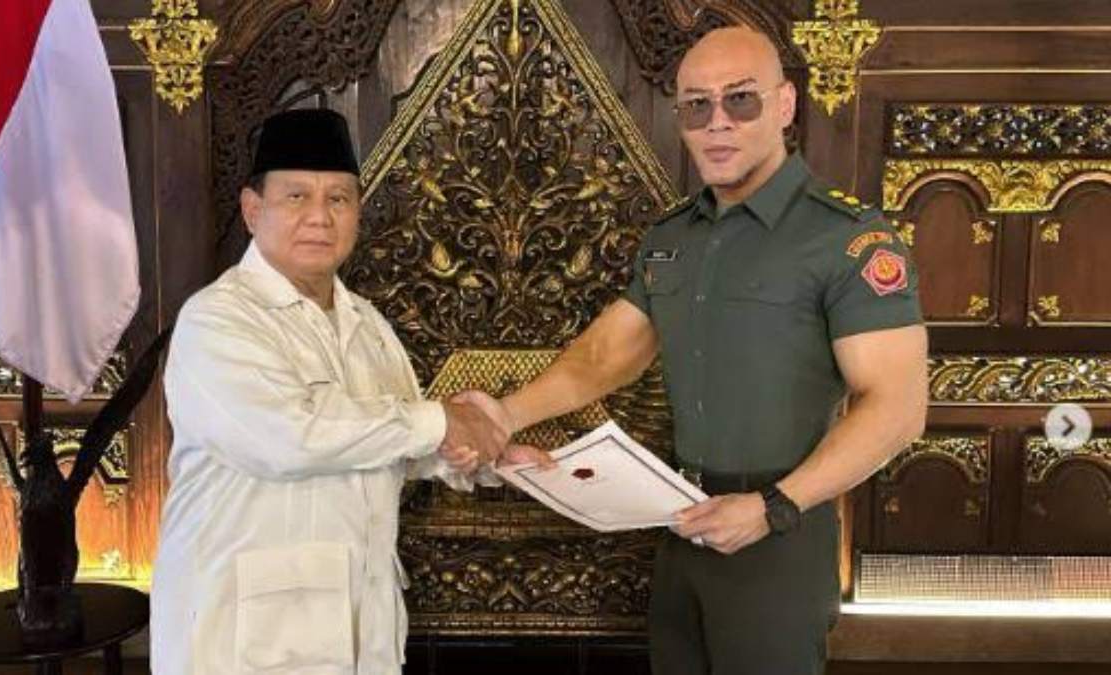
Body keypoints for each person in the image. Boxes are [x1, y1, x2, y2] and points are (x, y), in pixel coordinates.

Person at [455, 26, 928, 675]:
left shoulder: (847, 239)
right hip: (681, 519)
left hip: (778, 536)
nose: (717, 123)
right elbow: (606, 356)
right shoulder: (673, 236)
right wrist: (502, 415)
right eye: (697, 106)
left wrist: (774, 507)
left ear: (785, 105)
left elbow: (897, 408)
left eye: (741, 100)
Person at [150, 109, 541, 674]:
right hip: (244, 635)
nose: (320, 216)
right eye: (296, 197)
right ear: (253, 210)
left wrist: (487, 458)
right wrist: (442, 422)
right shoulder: (218, 318)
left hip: (360, 624)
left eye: (339, 198)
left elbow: (396, 443)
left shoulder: (366, 323)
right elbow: (290, 438)